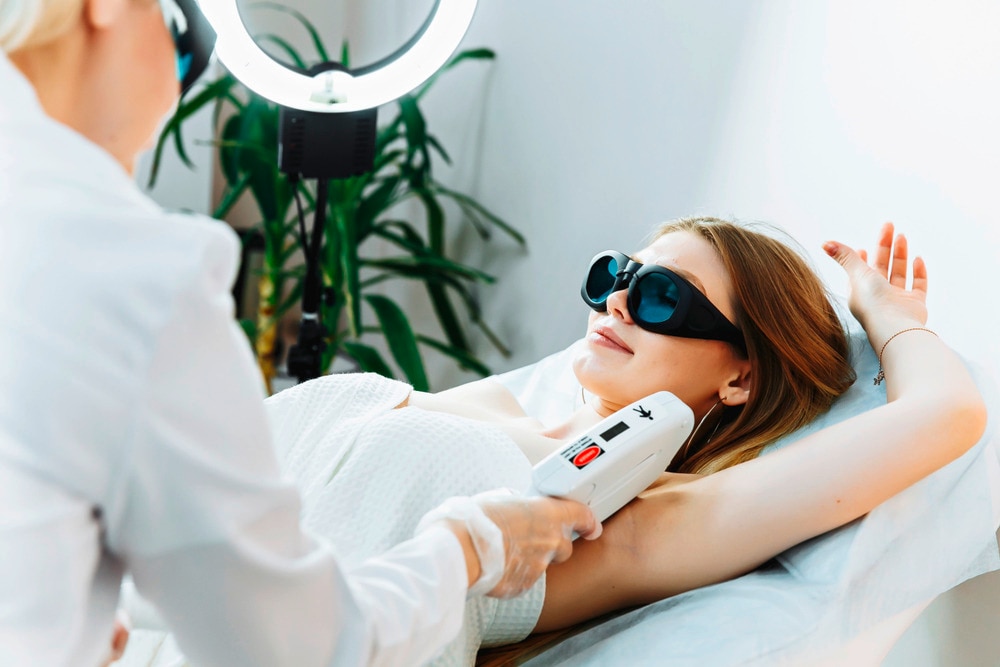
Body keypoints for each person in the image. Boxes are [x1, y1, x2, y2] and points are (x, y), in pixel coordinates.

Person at [0, 1, 601, 666]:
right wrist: (472, 545)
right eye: (184, 41)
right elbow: (296, 647)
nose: (179, 90)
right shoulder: (135, 275)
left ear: (739, 379)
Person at [234, 217, 984, 666]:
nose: (619, 300)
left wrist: (891, 318)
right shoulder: (487, 403)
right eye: (614, 276)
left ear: (740, 380)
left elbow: (946, 417)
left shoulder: (641, 511)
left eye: (664, 296)